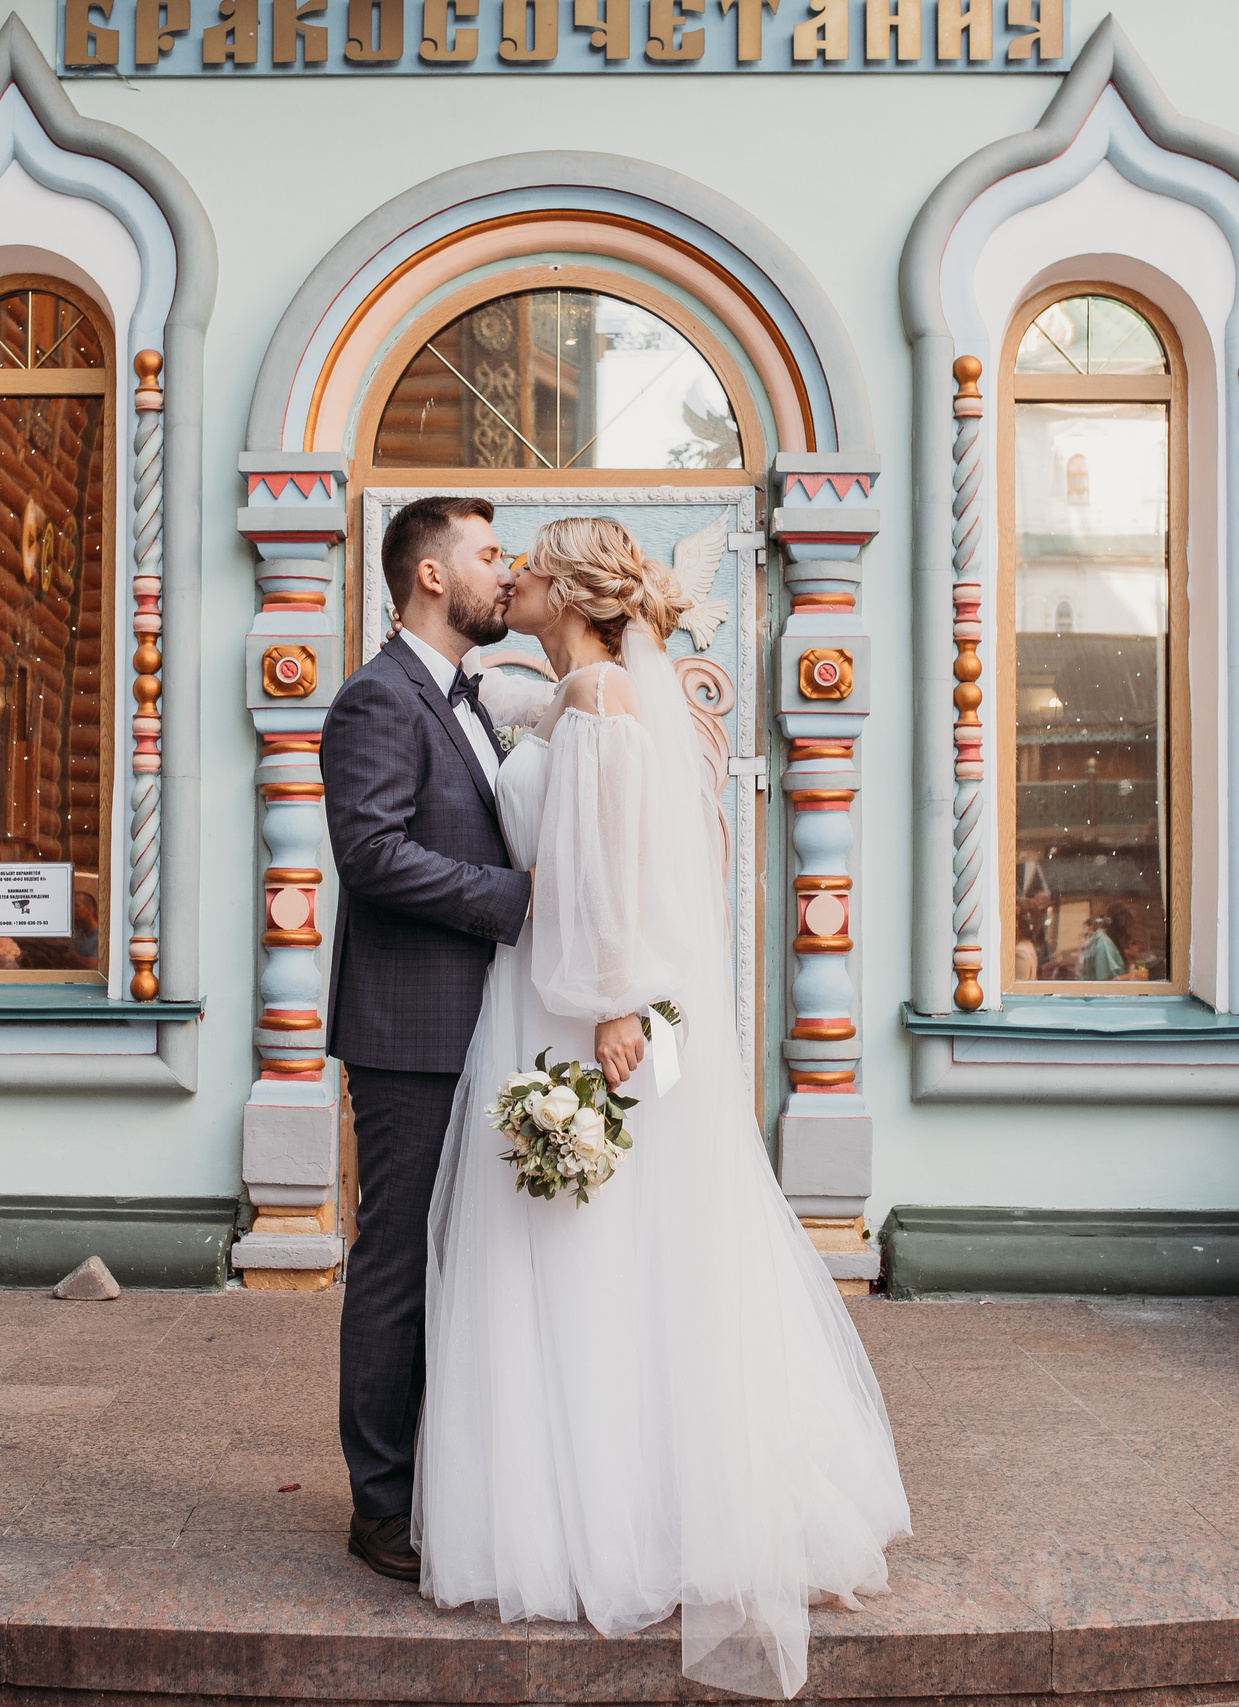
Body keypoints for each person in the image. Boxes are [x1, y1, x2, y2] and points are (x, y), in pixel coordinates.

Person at [413, 516, 909, 1700]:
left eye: (529, 567)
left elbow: (607, 869)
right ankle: (625, 1497)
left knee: (580, 1254)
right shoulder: (584, 693)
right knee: (617, 1257)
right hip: (568, 998)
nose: (514, 577)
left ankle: (607, 1517)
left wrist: (613, 1009)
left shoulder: (597, 705)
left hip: (574, 1009)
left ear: (573, 592)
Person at [318, 494, 548, 1587]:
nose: (502, 573)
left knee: (465, 1266)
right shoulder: (377, 698)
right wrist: (515, 899)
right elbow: (370, 853)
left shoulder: (469, 698)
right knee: (398, 1263)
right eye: (487, 555)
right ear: (427, 576)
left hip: (480, 1022)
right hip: (408, 1032)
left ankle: (447, 1478)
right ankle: (380, 1507)